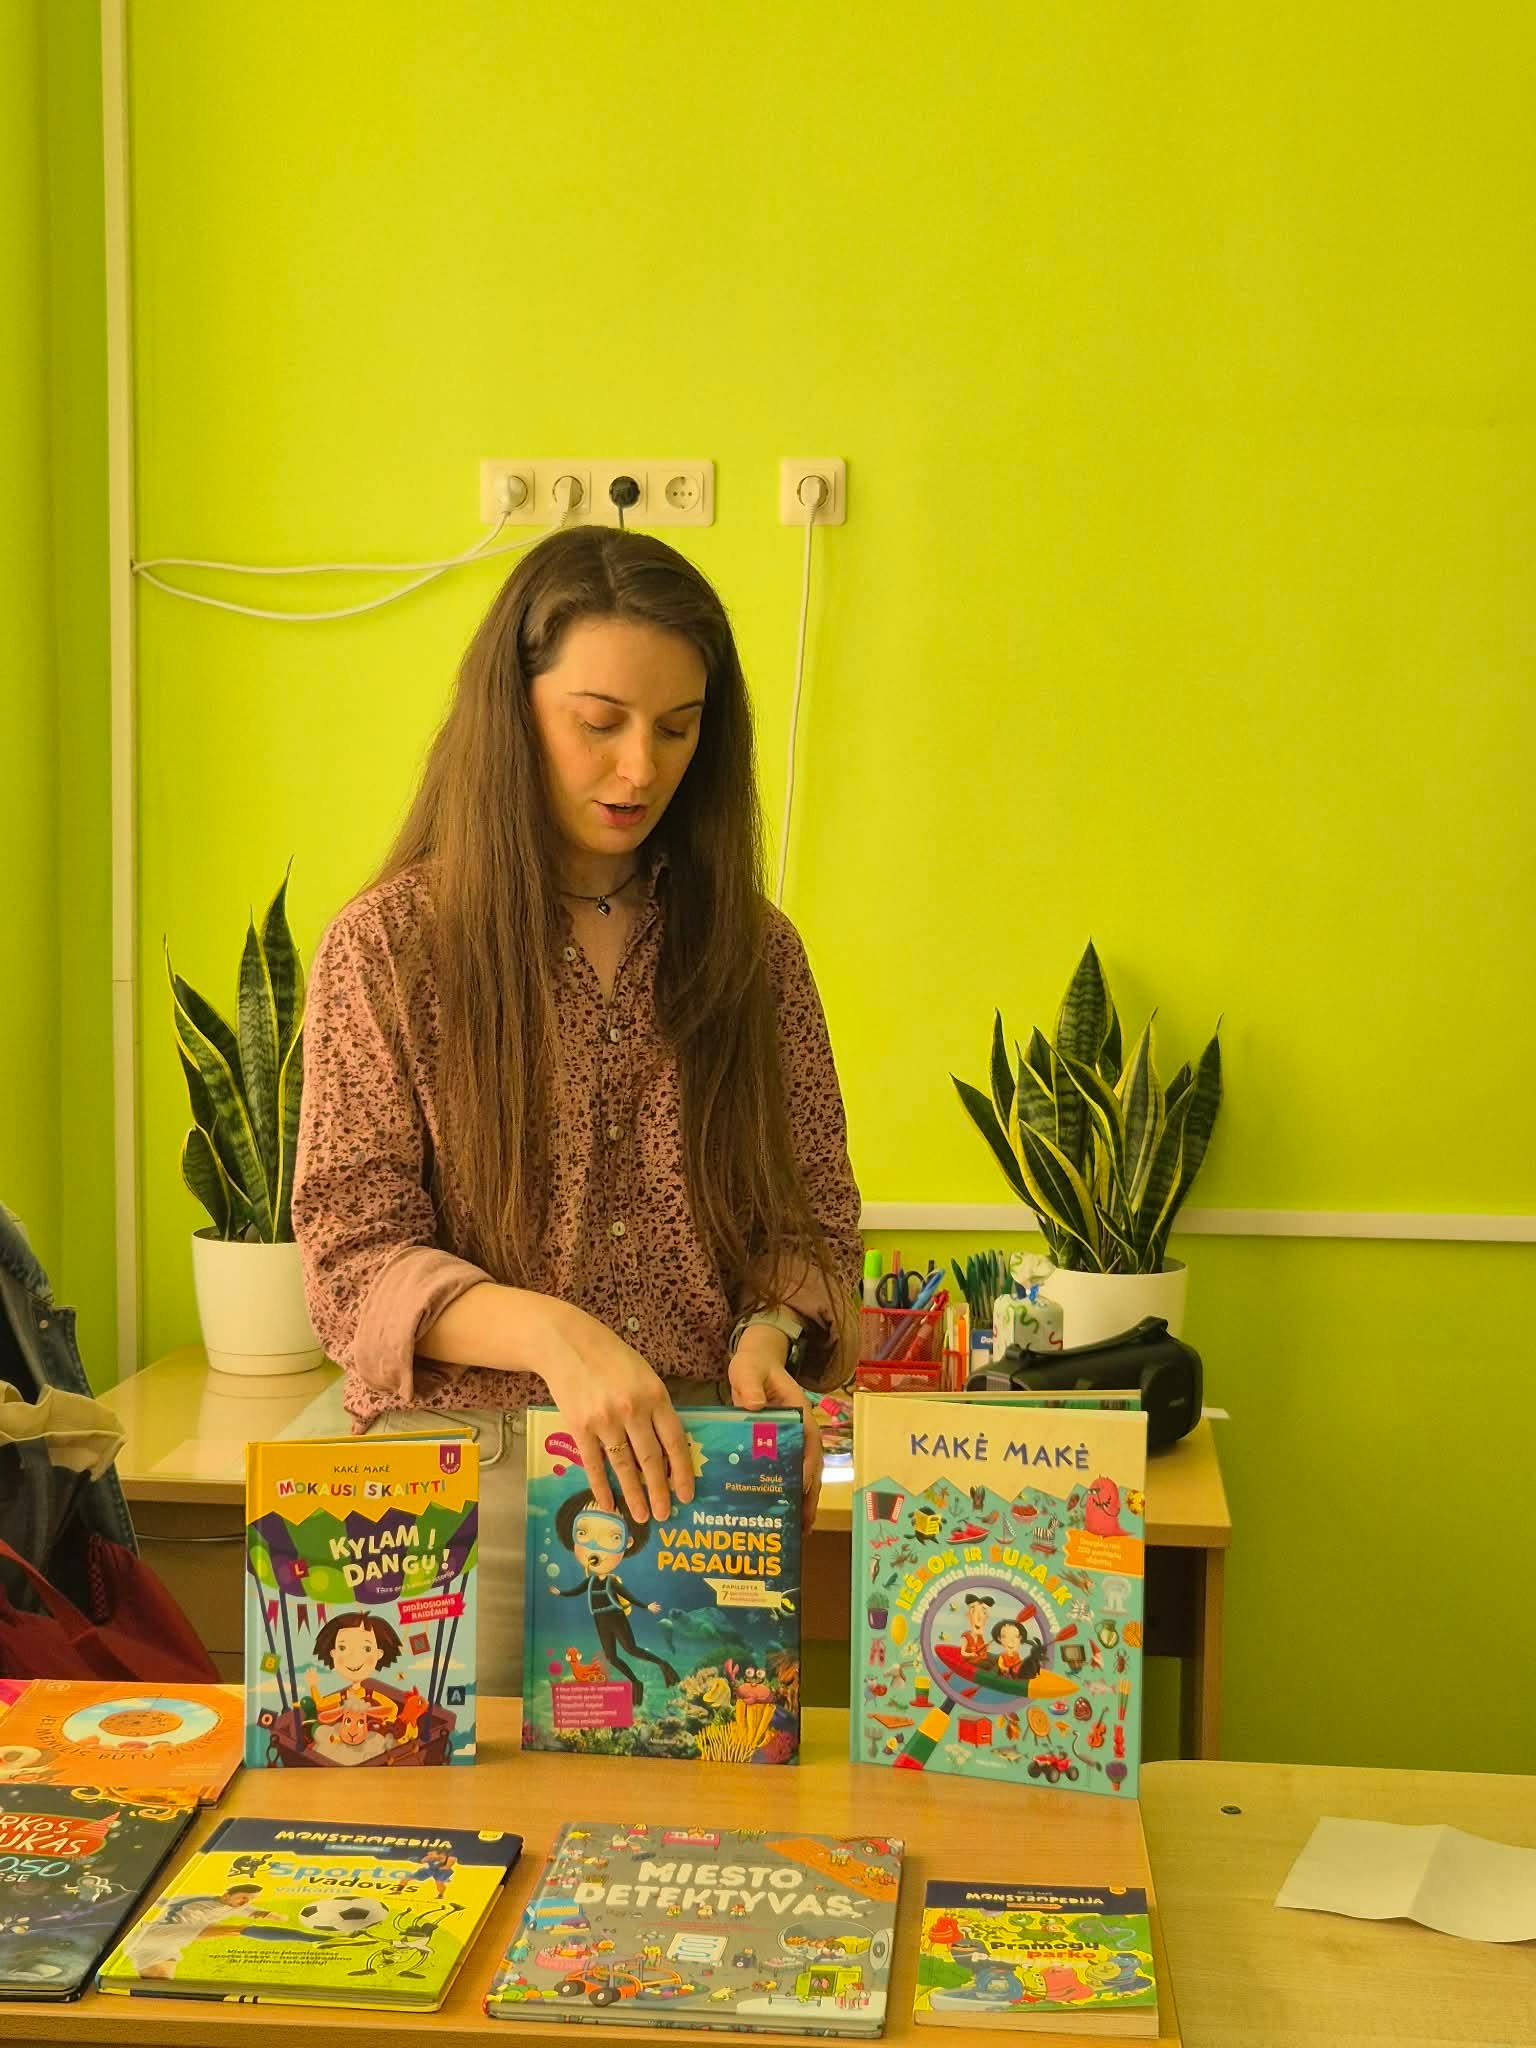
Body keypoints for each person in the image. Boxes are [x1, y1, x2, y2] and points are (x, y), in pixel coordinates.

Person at [292, 525, 861, 1695]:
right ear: (513, 711)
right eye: (598, 722)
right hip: (452, 1499)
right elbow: (350, 1260)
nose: (639, 768)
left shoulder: (756, 953)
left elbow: (810, 1222)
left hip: (696, 1489)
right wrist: (559, 1336)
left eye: (678, 728)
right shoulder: (390, 945)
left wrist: (768, 1334)